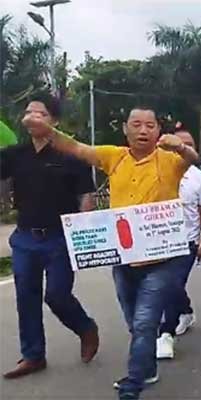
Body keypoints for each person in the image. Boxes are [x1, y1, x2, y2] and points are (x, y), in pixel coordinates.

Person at [24, 105, 199, 400]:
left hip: (164, 258)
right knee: (135, 322)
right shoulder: (113, 157)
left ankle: (132, 385)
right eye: (136, 124)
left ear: (158, 130)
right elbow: (76, 148)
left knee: (144, 321)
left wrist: (181, 146)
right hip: (125, 258)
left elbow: (195, 159)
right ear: (125, 130)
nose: (143, 131)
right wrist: (46, 130)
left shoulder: (170, 160)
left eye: (150, 125)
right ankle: (147, 368)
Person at [1, 97, 99, 379]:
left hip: (60, 238)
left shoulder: (70, 155)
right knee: (26, 297)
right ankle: (33, 356)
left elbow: (86, 195)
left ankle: (85, 327)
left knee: (56, 294)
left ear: (54, 121)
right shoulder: (15, 154)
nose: (33, 116)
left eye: (40, 113)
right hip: (25, 238)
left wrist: (83, 231)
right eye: (29, 112)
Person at [156, 129, 201, 360]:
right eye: (177, 143)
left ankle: (166, 334)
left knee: (170, 285)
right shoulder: (155, 171)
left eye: (187, 144)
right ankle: (186, 311)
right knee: (169, 286)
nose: (181, 148)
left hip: (186, 243)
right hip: (156, 242)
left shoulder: (200, 179)